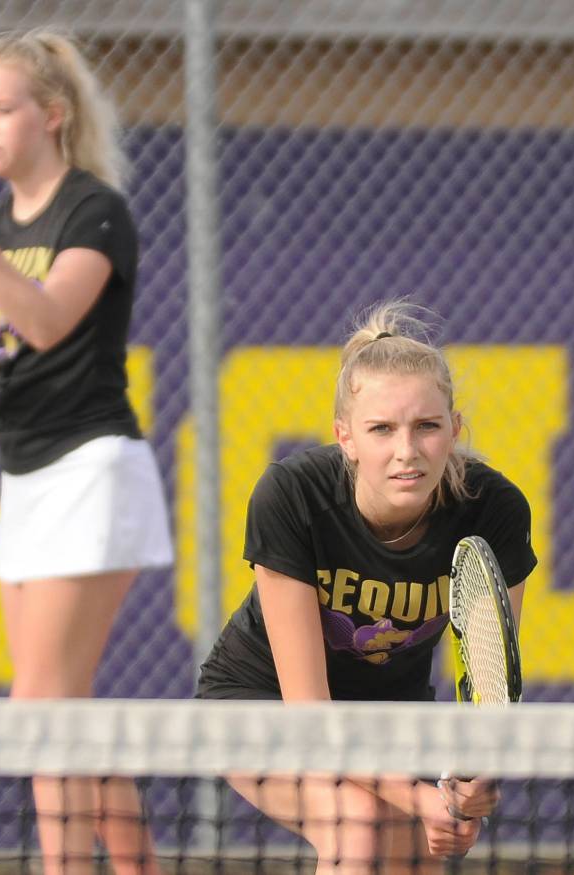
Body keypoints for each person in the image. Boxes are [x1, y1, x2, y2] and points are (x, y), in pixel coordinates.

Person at [0, 29, 170, 875]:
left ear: (53, 115)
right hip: (23, 480)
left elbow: (51, 318)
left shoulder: (94, 210)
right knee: (64, 707)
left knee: (41, 704)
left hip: (94, 468)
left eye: (2, 109)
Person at [197, 301, 537, 874]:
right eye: (381, 429)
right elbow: (309, 713)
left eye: (427, 426)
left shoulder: (494, 511)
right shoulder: (293, 498)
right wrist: (420, 797)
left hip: (389, 717)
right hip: (263, 705)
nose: (407, 451)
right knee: (355, 826)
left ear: (454, 430)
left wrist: (475, 783)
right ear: (345, 437)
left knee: (418, 856)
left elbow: (489, 687)